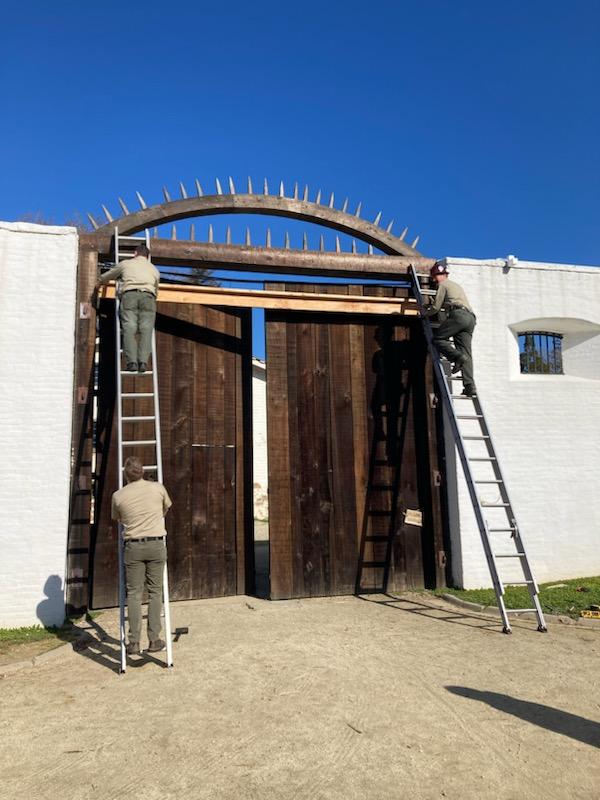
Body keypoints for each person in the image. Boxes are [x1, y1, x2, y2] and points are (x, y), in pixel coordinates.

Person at [111, 456, 172, 655]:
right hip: (155, 544)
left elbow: (117, 518)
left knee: (134, 595)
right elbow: (166, 508)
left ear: (125, 474)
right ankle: (154, 639)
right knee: (156, 592)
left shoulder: (118, 496)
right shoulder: (158, 488)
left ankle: (134, 642)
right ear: (143, 471)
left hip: (134, 547)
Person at [98, 243, 160, 374]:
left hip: (130, 295)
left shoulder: (126, 264)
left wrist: (98, 282)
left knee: (129, 328)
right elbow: (156, 289)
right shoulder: (154, 269)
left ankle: (131, 362)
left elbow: (108, 275)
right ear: (148, 256)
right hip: (148, 297)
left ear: (135, 253)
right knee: (146, 330)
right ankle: (143, 362)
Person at [421, 261, 477, 397]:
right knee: (466, 352)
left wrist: (424, 313)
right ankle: (469, 386)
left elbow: (435, 307)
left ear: (436, 276)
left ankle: (457, 357)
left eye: (433, 277)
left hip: (458, 316)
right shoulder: (455, 285)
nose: (434, 280)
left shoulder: (442, 285)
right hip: (470, 318)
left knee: (438, 339)